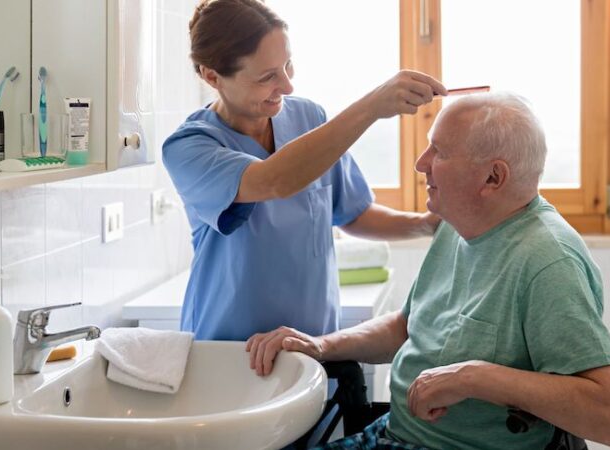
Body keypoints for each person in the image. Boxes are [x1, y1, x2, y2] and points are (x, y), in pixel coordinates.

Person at [247, 93, 610, 449]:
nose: (421, 164)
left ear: (493, 177)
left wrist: (475, 378)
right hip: (394, 434)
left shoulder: (548, 261)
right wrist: (321, 345)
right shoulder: (458, 224)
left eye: (439, 151)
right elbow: (407, 327)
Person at [162, 0, 447, 341]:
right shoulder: (190, 147)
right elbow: (274, 180)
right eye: (268, 77)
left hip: (312, 346)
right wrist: (372, 106)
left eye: (288, 65)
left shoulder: (309, 119)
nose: (287, 86)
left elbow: (352, 213)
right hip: (229, 352)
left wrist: (426, 226)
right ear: (212, 76)